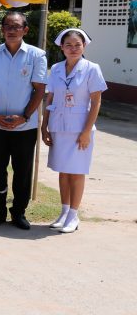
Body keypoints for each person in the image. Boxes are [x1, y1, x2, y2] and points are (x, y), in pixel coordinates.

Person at [0, 12, 47, 230]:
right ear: (2, 29)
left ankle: (19, 212)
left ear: (25, 30)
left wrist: (25, 117)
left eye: (16, 26)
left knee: (22, 170)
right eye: (7, 26)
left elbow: (39, 90)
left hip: (25, 126)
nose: (11, 30)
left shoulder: (37, 55)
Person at [42, 28, 106, 234]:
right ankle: (64, 211)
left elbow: (96, 102)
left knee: (77, 172)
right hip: (59, 125)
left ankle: (74, 215)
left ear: (84, 46)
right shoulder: (57, 68)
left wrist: (86, 131)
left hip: (80, 126)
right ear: (61, 47)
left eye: (77, 45)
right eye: (68, 45)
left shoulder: (92, 69)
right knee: (63, 171)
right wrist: (45, 126)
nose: (73, 48)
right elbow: (50, 98)